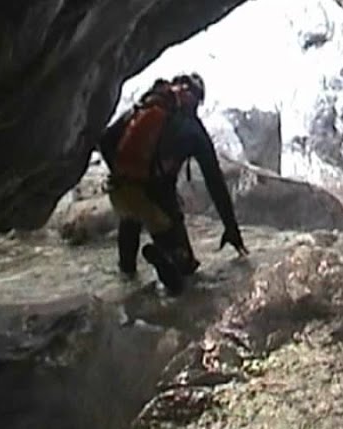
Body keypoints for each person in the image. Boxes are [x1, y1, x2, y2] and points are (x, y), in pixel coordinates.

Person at [96, 73, 248, 294]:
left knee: (129, 240)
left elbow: (105, 140)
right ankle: (167, 260)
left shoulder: (143, 107)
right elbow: (214, 181)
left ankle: (128, 280)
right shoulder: (193, 129)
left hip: (120, 192)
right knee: (186, 275)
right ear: (196, 100)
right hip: (155, 201)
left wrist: (124, 173)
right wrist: (231, 228)